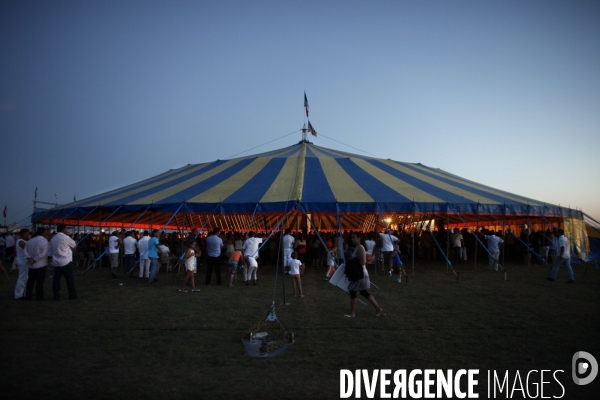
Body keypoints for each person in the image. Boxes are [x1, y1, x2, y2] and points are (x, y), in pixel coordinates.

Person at [345, 232, 384, 318]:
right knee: (363, 292)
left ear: (359, 238)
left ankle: (352, 313)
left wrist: (352, 264)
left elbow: (363, 262)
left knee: (353, 291)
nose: (352, 239)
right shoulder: (358, 247)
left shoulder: (360, 248)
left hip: (360, 273)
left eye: (354, 237)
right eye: (352, 238)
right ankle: (378, 309)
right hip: (361, 272)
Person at [50, 224, 78, 300]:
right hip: (65, 261)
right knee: (69, 279)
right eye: (66, 229)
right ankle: (72, 295)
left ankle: (56, 296)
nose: (67, 230)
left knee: (56, 280)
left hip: (56, 261)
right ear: (63, 229)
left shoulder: (53, 238)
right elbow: (74, 244)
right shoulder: (65, 237)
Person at [24, 227, 50, 300]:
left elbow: (25, 251)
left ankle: (28, 295)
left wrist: (29, 258)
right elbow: (43, 254)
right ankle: (39, 296)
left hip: (31, 265)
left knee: (30, 281)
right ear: (44, 232)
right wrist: (34, 260)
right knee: (40, 281)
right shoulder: (44, 241)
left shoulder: (30, 241)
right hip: (40, 264)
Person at [14, 228, 30, 299]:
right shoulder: (21, 242)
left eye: (28, 234)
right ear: (21, 235)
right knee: (22, 278)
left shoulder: (23, 241)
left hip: (23, 261)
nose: (27, 236)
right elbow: (28, 249)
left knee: (25, 277)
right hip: (23, 261)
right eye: (25, 234)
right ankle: (18, 294)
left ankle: (24, 292)